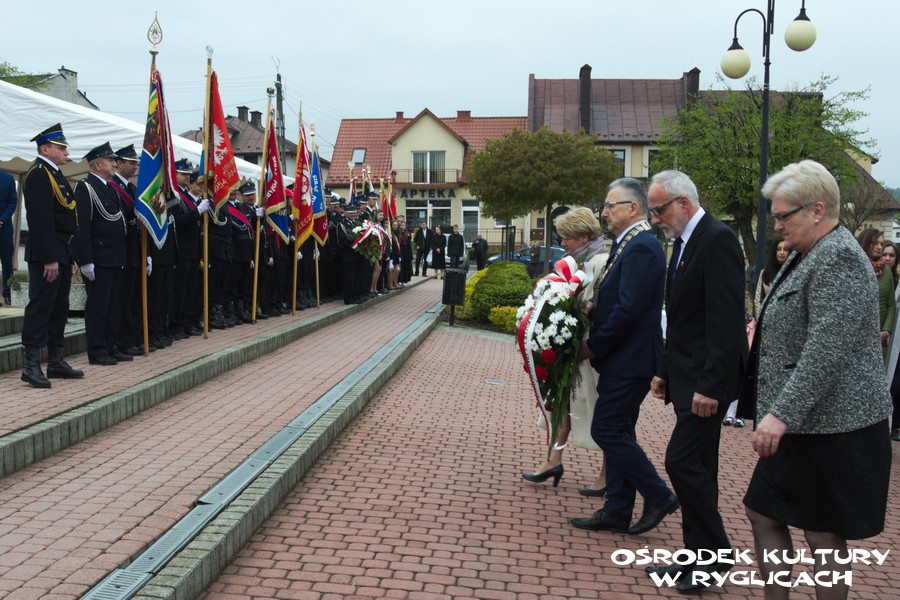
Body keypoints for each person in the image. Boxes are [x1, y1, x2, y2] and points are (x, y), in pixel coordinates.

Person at [742, 160, 892, 600]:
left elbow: (827, 350)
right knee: (763, 513)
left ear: (817, 210)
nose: (776, 225)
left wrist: (780, 415)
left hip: (835, 426)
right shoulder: (809, 251)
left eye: (783, 215)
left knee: (822, 533)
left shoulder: (839, 257)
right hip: (803, 422)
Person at [645, 170, 747, 592]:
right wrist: (665, 371)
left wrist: (710, 386)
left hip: (708, 381)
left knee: (681, 462)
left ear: (683, 203)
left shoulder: (717, 239)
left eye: (659, 210)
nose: (655, 220)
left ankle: (717, 552)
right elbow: (682, 319)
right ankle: (695, 559)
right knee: (700, 467)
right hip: (688, 375)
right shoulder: (686, 242)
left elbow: (725, 321)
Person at [569, 179, 677, 535]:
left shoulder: (642, 245)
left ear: (633, 207)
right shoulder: (630, 242)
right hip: (625, 356)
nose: (604, 213)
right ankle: (617, 509)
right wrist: (592, 305)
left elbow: (629, 309)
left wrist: (593, 346)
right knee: (618, 429)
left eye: (610, 205)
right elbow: (620, 297)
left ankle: (658, 495)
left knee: (607, 428)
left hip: (630, 358)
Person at [521, 207, 608, 494]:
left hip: (590, 351)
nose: (563, 242)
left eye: (567, 237)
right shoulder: (581, 260)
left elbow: (596, 306)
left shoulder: (600, 262)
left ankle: (607, 475)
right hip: (572, 347)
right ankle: (553, 460)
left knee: (600, 412)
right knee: (562, 403)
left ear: (583, 236)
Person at [20, 123, 83, 387]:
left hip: (62, 249)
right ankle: (31, 365)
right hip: (47, 251)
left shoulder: (55, 174)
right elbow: (40, 220)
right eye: (61, 147)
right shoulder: (38, 173)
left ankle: (56, 361)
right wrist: (49, 258)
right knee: (41, 306)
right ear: (45, 149)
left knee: (59, 307)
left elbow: (68, 218)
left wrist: (71, 255)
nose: (66, 151)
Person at [73, 142, 129, 365]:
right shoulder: (86, 188)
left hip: (115, 256)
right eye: (110, 160)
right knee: (99, 306)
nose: (115, 163)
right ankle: (96, 350)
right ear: (97, 164)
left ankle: (110, 346)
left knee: (114, 306)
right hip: (99, 257)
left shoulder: (109, 188)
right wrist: (86, 260)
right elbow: (82, 227)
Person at [856, 228, 895, 350]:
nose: (879, 247)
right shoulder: (855, 268)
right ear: (865, 242)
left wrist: (886, 331)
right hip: (857, 334)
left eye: (881, 244)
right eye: (875, 243)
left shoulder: (886, 271)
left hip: (878, 337)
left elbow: (891, 304)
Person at [752, 234, 788, 316]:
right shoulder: (765, 273)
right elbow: (758, 300)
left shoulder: (794, 271)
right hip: (767, 317)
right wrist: (761, 319)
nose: (782, 252)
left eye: (785, 249)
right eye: (778, 249)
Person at [0, 169, 16, 306]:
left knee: (7, 263)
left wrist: (2, 220)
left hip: (4, 229)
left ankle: (8, 293)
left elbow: (12, 202)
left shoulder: (8, 178)